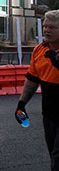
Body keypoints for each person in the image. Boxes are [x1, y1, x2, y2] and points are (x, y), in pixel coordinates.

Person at [16, 9, 59, 170]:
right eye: (46, 26)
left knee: (57, 158)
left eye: (52, 27)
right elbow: (32, 80)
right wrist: (21, 103)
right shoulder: (39, 50)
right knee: (53, 156)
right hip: (49, 114)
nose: (47, 30)